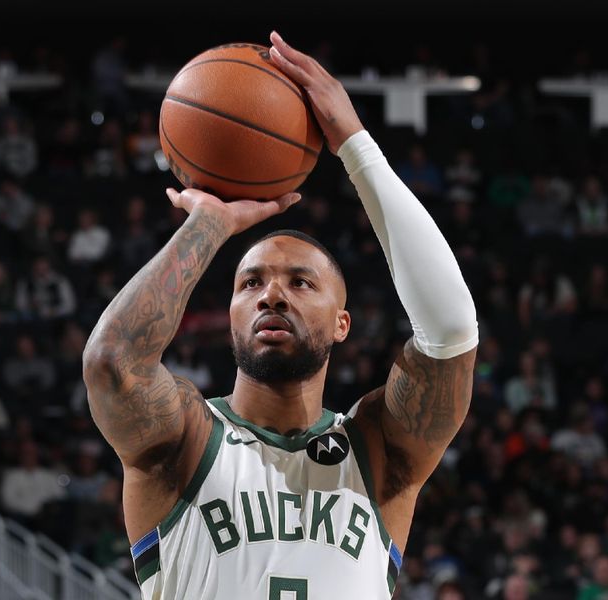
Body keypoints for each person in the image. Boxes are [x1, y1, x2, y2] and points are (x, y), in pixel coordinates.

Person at [82, 31, 478, 600]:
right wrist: (208, 224)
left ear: (343, 323)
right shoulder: (186, 437)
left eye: (300, 282)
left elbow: (451, 333)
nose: (272, 295)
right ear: (231, 313)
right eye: (251, 283)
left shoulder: (380, 448)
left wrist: (356, 145)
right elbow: (111, 363)